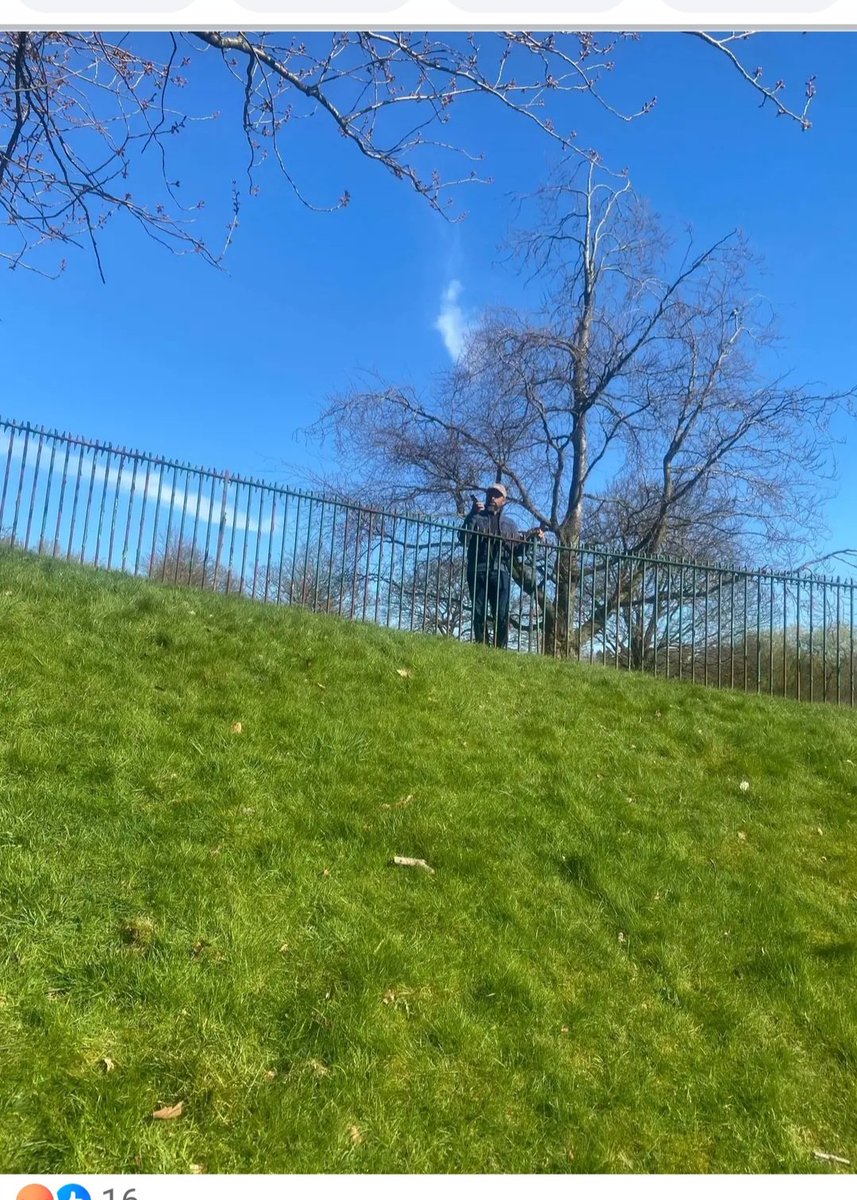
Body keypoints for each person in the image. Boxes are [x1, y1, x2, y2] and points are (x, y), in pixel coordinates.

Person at [457, 483, 545, 649]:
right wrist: (471, 514)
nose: (492, 497)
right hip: (478, 569)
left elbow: (516, 549)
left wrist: (533, 538)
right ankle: (481, 645)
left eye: (496, 495)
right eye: (490, 494)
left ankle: (500, 648)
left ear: (503, 500)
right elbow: (463, 538)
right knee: (479, 610)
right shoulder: (476, 517)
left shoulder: (510, 524)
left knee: (502, 612)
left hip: (501, 572)